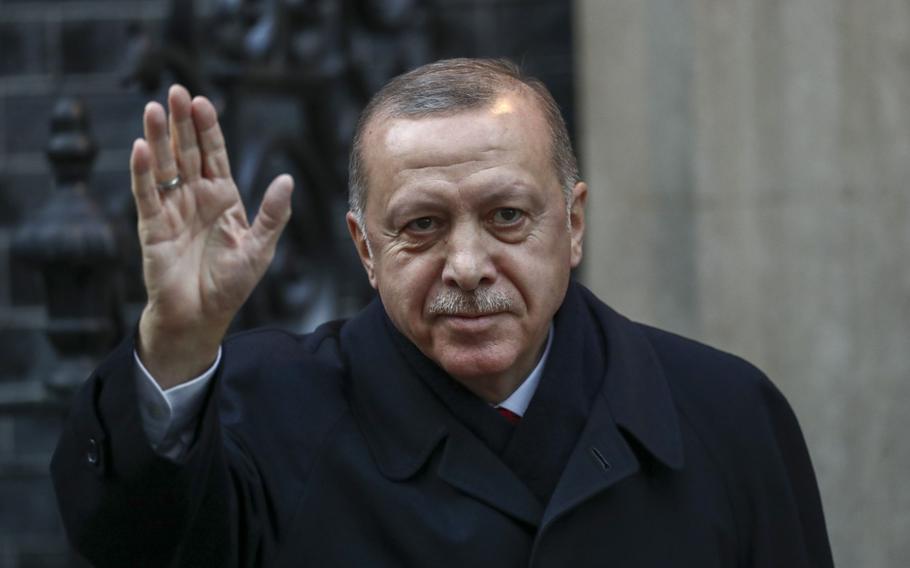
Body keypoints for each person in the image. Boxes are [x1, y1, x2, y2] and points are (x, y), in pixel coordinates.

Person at [51, 59, 834, 567]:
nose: (466, 266)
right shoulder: (258, 416)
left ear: (575, 224)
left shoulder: (729, 416)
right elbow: (135, 545)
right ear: (364, 247)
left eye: (506, 217)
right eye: (421, 226)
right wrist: (178, 346)